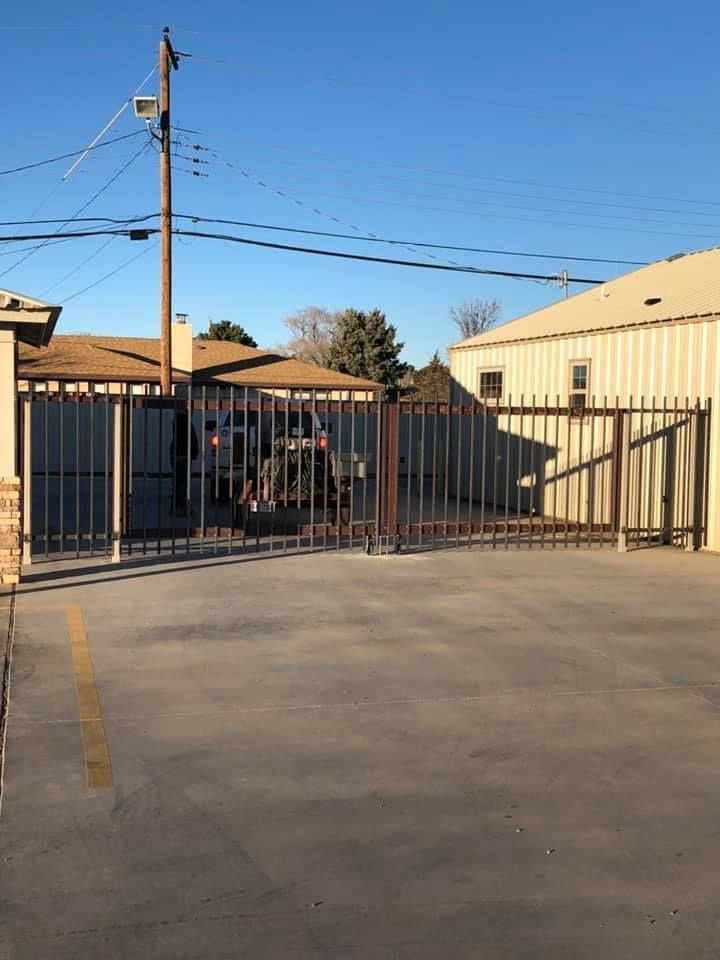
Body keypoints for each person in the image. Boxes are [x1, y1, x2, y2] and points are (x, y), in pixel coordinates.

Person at [170, 410, 199, 515]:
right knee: (181, 483)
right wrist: (192, 452)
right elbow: (188, 438)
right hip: (182, 456)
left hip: (180, 454)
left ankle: (177, 507)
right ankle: (180, 508)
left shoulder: (180, 420)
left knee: (178, 482)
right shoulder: (183, 421)